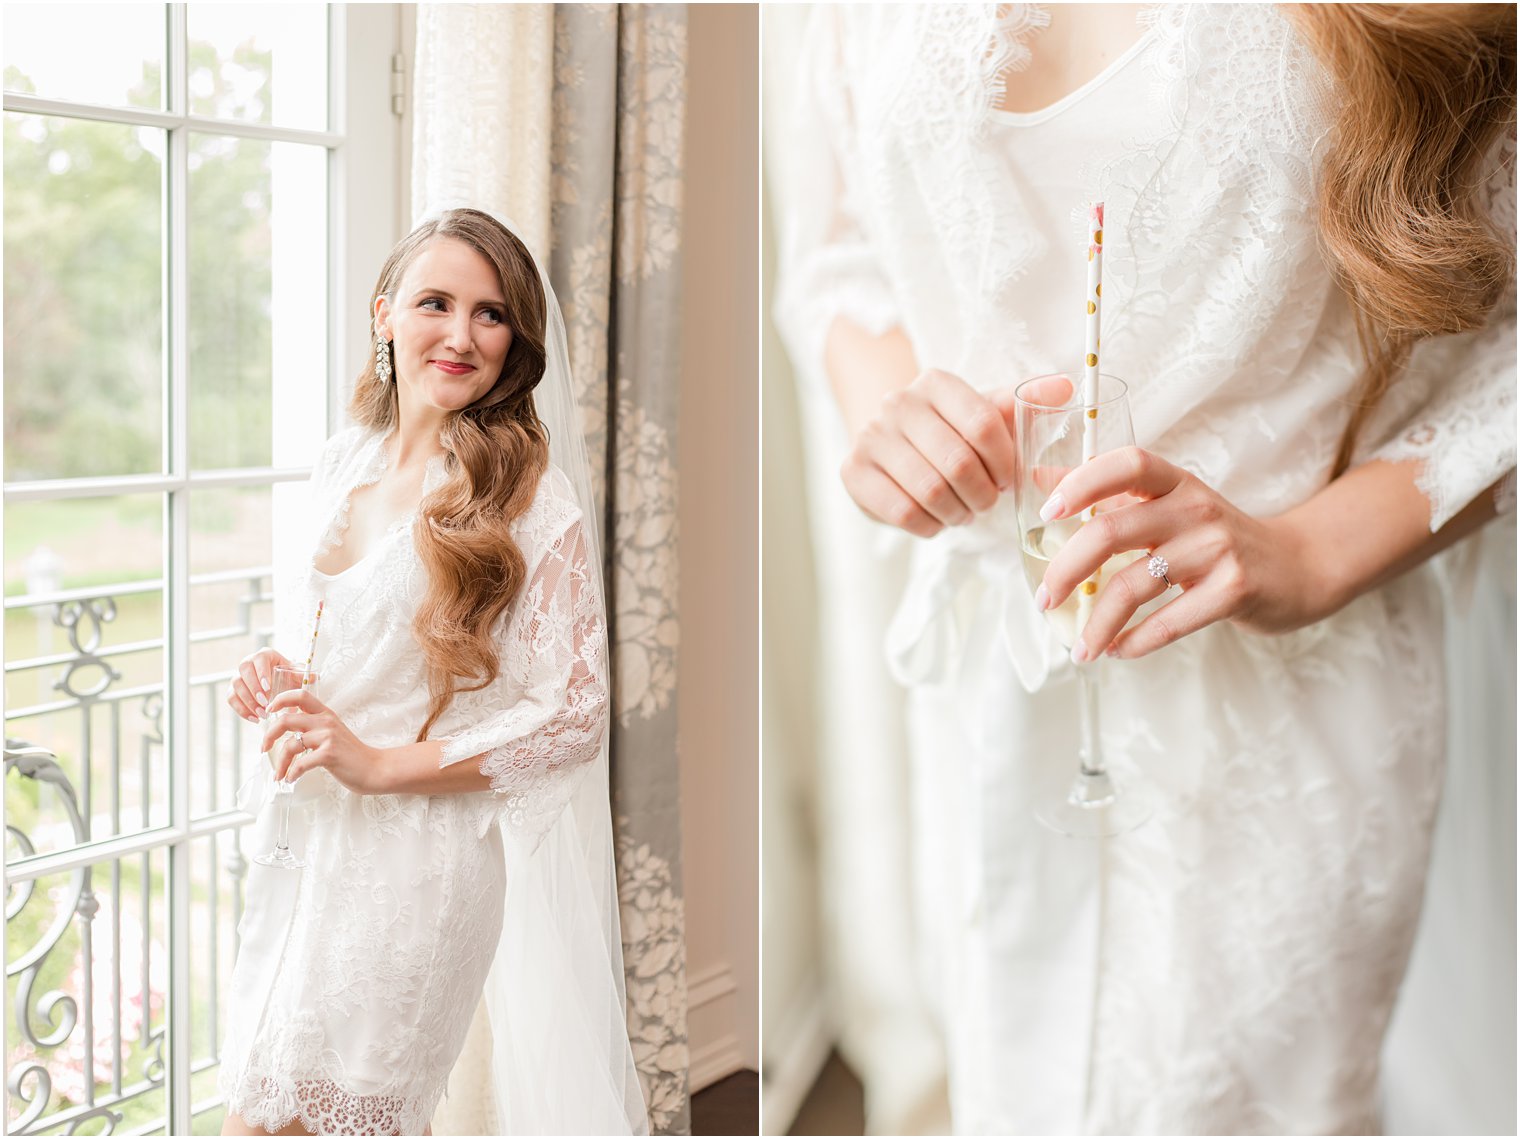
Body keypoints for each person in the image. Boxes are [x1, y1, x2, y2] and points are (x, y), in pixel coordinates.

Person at [775, 3, 1515, 1134]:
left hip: (1282, 719)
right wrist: (891, 419)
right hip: (987, 690)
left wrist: (1308, 550)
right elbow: (836, 258)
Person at [217, 208, 647, 1136]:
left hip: (415, 875)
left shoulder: (530, 498)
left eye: (491, 314)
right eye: (435, 303)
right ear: (384, 314)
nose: (461, 334)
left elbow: (575, 713)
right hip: (305, 851)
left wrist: (375, 763)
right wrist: (275, 670)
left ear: (516, 340)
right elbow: (346, 645)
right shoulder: (345, 462)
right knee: (255, 1115)